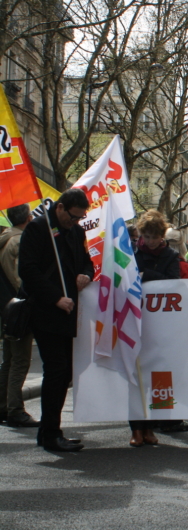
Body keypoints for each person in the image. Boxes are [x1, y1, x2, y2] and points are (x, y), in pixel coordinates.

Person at [19, 189, 93, 452]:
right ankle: (51, 433)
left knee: (65, 373)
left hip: (70, 312)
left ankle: (49, 430)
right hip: (46, 311)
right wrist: (54, 298)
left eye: (80, 219)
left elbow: (87, 262)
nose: (75, 222)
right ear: (60, 208)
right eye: (73, 217)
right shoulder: (38, 228)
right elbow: (27, 270)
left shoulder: (77, 231)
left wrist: (86, 274)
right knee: (57, 369)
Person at [130, 210, 188, 445]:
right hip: (137, 320)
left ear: (161, 235)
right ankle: (136, 429)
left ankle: (152, 426)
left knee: (158, 375)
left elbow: (173, 283)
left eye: (154, 236)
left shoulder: (170, 255)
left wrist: (147, 275)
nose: (150, 241)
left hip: (162, 323)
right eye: (145, 236)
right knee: (137, 374)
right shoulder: (133, 253)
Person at [0, 204, 38, 427]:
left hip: (6, 308)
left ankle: (4, 407)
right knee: (20, 361)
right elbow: (20, 279)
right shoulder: (20, 241)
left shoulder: (5, 238)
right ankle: (15, 409)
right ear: (27, 218)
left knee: (9, 360)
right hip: (19, 309)